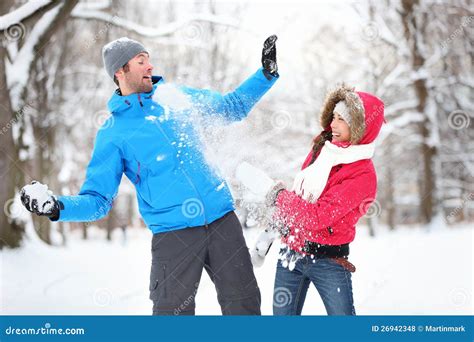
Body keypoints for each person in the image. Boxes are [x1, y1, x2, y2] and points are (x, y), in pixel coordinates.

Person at [19, 35, 279, 315]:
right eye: (141, 61)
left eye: (149, 60)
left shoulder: (177, 98)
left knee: (245, 306)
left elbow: (231, 108)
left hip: (222, 221)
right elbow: (98, 201)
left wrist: (266, 74)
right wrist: (57, 207)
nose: (149, 66)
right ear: (120, 71)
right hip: (172, 235)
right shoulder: (113, 133)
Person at [269, 85, 385, 315]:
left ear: (360, 127)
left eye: (342, 119)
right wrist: (283, 218)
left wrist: (280, 198)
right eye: (334, 116)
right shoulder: (323, 150)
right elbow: (301, 197)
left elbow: (318, 217)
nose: (333, 124)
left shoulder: (362, 175)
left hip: (328, 261)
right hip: (291, 253)